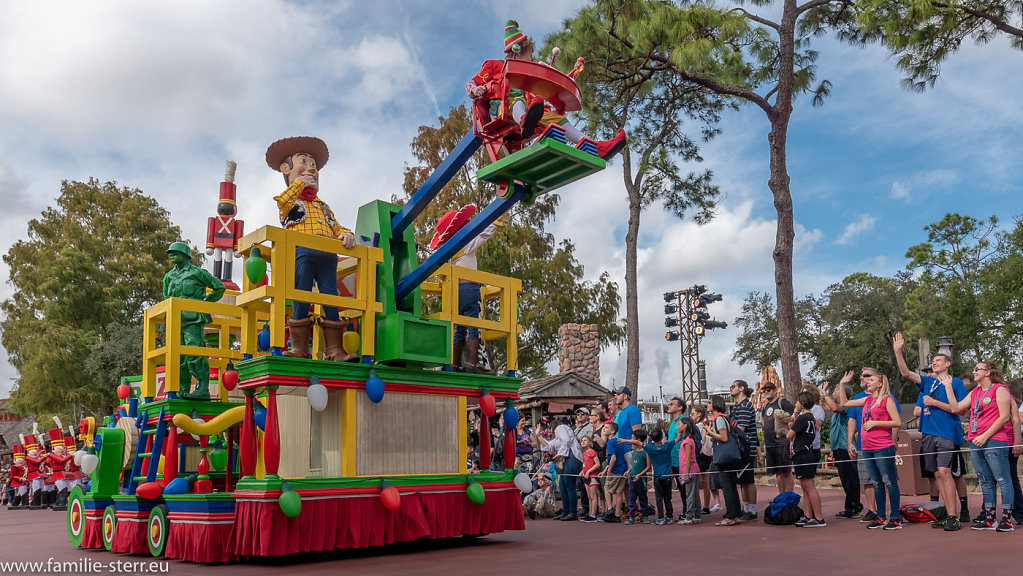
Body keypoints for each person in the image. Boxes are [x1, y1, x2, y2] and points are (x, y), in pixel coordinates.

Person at [466, 20, 627, 160]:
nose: (531, 60)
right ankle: (524, 120)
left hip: (525, 115)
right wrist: (476, 89)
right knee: (517, 100)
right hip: (499, 112)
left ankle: (594, 146)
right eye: (529, 56)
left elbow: (535, 102)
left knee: (555, 118)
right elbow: (471, 83)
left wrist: (542, 108)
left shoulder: (526, 82)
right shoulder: (495, 65)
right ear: (519, 51)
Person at [267, 136, 357, 362]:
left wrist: (346, 233)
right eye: (304, 162)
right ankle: (299, 348)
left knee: (331, 298)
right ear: (286, 169)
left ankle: (334, 350)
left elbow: (336, 225)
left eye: (314, 165)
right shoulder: (289, 201)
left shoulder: (323, 206)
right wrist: (300, 184)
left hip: (327, 257)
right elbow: (281, 200)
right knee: (302, 296)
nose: (310, 168)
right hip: (302, 253)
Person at [893, 333, 968, 531]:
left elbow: (960, 409)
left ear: (948, 364)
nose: (934, 363)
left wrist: (934, 402)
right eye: (933, 360)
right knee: (936, 475)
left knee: (945, 472)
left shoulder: (956, 383)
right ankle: (945, 512)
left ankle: (954, 516)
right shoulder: (928, 382)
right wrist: (898, 351)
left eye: (938, 360)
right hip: (928, 435)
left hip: (946, 434)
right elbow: (906, 373)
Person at [944, 361, 1014, 531]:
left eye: (977, 369)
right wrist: (948, 387)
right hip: (975, 441)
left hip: (994, 440)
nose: (973, 371)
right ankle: (989, 518)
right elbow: (956, 408)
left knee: (1002, 479)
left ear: (988, 372)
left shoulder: (999, 389)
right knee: (984, 480)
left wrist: (985, 436)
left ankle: (1007, 519)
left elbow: (1005, 417)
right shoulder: (975, 391)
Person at [838, 368, 903, 530]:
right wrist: (842, 384)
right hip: (866, 447)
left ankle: (895, 518)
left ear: (879, 384)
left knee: (889, 481)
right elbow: (844, 403)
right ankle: (880, 516)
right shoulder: (866, 400)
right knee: (876, 482)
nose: (868, 381)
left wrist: (876, 423)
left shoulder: (887, 399)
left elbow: (897, 422)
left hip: (882, 446)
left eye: (871, 380)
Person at [162, 242, 226, 399]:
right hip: (175, 320)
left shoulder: (197, 272)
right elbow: (166, 297)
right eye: (169, 253)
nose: (171, 255)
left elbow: (219, 287)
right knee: (179, 357)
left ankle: (202, 387)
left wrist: (204, 304)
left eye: (174, 252)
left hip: (193, 319)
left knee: (194, 352)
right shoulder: (168, 276)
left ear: (185, 254)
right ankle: (182, 388)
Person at [819, 380, 862, 519]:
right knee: (845, 479)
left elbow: (834, 408)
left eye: (835, 391)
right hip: (838, 448)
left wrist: (824, 394)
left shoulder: (848, 407)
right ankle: (850, 506)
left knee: (851, 478)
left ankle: (855, 507)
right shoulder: (837, 412)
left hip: (846, 447)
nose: (833, 394)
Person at [626, 427, 679, 525]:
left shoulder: (649, 448)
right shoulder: (667, 446)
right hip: (667, 476)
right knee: (667, 498)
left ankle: (661, 518)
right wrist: (679, 430)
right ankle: (670, 517)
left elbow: (638, 443)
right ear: (662, 437)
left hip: (657, 477)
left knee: (659, 498)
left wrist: (623, 440)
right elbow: (678, 438)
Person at [788, 391, 825, 527]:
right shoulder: (810, 418)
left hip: (804, 453)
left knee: (809, 487)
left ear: (802, 404)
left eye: (797, 402)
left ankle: (819, 518)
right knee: (805, 486)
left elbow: (789, 435)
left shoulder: (803, 418)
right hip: (805, 452)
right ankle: (808, 515)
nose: (795, 404)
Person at [705, 396, 742, 526]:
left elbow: (724, 438)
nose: (708, 405)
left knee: (727, 487)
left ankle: (731, 516)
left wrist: (710, 433)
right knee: (731, 487)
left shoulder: (719, 419)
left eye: (709, 403)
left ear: (715, 404)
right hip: (728, 457)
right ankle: (736, 513)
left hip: (724, 458)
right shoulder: (722, 418)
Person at [535, 422, 584, 521]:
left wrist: (559, 454)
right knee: (562, 485)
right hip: (566, 459)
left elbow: (566, 441)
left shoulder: (560, 427)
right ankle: (565, 511)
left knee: (569, 486)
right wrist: (538, 435)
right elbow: (548, 446)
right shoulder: (557, 437)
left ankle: (572, 512)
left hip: (572, 457)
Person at [729, 380, 759, 521]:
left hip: (746, 448)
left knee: (748, 480)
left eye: (733, 386)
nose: (731, 388)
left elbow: (740, 428)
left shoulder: (746, 406)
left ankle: (752, 511)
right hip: (739, 449)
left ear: (741, 388)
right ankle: (746, 508)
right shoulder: (736, 407)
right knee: (742, 481)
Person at [759, 382, 795, 493]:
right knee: (777, 473)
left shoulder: (782, 403)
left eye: (768, 390)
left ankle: (789, 497)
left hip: (782, 443)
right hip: (770, 444)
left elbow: (795, 415)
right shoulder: (765, 406)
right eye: (764, 391)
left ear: (775, 391)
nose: (766, 392)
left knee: (786, 471)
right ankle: (781, 496)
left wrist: (789, 430)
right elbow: (763, 420)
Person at [691, 405, 722, 514]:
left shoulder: (700, 426)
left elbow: (701, 441)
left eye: (693, 414)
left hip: (702, 455)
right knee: (703, 481)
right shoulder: (698, 425)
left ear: (699, 414)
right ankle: (706, 505)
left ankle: (706, 506)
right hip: (702, 454)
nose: (691, 416)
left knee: (704, 481)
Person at [676, 417, 702, 525]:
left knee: (690, 494)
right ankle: (696, 515)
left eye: (679, 424)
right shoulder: (688, 440)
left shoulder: (687, 441)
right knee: (694, 493)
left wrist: (686, 474)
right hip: (691, 470)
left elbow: (688, 459)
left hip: (689, 471)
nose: (678, 426)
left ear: (685, 426)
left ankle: (689, 516)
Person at [665, 397, 688, 521]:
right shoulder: (673, 423)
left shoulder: (683, 421)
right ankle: (687, 510)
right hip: (673, 459)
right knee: (680, 488)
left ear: (680, 407)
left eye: (672, 404)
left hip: (682, 459)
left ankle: (688, 511)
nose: (669, 406)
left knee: (685, 488)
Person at [600, 422, 627, 522]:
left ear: (612, 431)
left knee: (606, 489)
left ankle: (610, 509)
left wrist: (609, 471)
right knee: (619, 493)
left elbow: (613, 458)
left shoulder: (610, 442)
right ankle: (617, 515)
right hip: (622, 469)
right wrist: (605, 470)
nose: (604, 429)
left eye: (606, 427)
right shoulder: (619, 442)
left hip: (615, 470)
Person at [624, 429, 651, 524]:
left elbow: (648, 467)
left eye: (633, 438)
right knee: (632, 498)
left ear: (638, 439)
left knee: (642, 497)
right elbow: (633, 465)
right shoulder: (634, 451)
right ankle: (632, 516)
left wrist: (639, 475)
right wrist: (628, 471)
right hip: (632, 477)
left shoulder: (646, 451)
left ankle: (644, 515)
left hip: (641, 479)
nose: (631, 440)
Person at [611, 386, 642, 467]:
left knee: (634, 478)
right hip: (622, 450)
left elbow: (637, 432)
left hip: (630, 451)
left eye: (618, 394)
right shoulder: (621, 413)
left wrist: (633, 450)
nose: (615, 396)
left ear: (625, 396)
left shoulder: (633, 409)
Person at [573, 407, 594, 516]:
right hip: (579, 458)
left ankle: (587, 507)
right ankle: (584, 506)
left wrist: (577, 439)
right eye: (578, 414)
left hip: (587, 458)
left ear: (587, 416)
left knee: (586, 483)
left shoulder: (589, 428)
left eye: (582, 413)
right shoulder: (577, 428)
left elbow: (588, 441)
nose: (580, 415)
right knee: (581, 485)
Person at [580, 435, 601, 522]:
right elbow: (585, 464)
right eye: (582, 441)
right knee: (589, 496)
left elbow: (597, 464)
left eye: (585, 440)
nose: (583, 442)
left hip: (592, 476)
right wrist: (582, 471)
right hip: (586, 477)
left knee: (593, 496)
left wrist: (589, 471)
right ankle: (590, 513)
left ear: (590, 443)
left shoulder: (592, 452)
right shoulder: (584, 453)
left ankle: (593, 515)